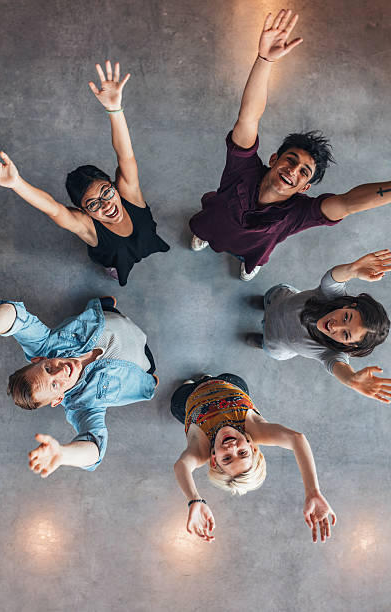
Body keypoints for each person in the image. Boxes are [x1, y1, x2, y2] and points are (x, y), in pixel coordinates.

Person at [189, 9, 391, 281]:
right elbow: (248, 118)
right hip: (214, 223)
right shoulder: (243, 168)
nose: (293, 170)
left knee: (253, 261)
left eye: (304, 172)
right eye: (291, 159)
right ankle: (203, 237)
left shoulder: (300, 213)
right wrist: (264, 60)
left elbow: (348, 204)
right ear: (274, 158)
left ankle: (250, 266)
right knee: (203, 229)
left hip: (254, 249)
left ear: (305, 188)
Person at [0, 60, 169, 286]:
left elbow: (125, 156)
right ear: (84, 212)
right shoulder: (88, 227)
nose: (107, 205)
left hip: (146, 240)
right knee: (115, 265)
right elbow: (55, 209)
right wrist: (16, 183)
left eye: (106, 193)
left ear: (113, 185)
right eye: (93, 205)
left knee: (148, 241)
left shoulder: (128, 192)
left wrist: (114, 109)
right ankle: (114, 270)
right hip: (114, 258)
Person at [0, 296, 158, 475]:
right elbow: (95, 447)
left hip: (108, 318)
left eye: (48, 368)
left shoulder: (45, 345)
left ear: (40, 359)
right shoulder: (82, 405)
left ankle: (108, 307)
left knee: (105, 307)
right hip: (141, 363)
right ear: (59, 399)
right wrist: (64, 454)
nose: (61, 371)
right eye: (55, 385)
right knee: (150, 375)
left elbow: (15, 315)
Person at [172, 374, 336, 543]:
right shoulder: (256, 429)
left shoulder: (201, 448)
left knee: (180, 397)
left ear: (214, 460)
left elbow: (182, 465)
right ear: (251, 446)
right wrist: (313, 491)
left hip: (188, 398)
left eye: (227, 458)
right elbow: (297, 439)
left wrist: (194, 499)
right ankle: (207, 377)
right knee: (224, 379)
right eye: (242, 453)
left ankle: (192, 383)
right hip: (228, 383)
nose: (232, 448)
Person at [246, 249, 391, 403]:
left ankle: (261, 341)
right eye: (346, 317)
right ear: (349, 305)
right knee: (269, 299)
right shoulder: (330, 296)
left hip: (276, 342)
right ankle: (265, 303)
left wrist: (351, 380)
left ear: (351, 345)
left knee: (268, 345)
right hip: (278, 299)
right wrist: (352, 270)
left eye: (346, 335)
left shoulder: (331, 352)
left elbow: (339, 367)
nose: (335, 326)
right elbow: (333, 279)